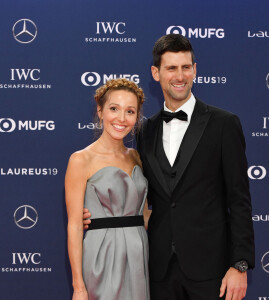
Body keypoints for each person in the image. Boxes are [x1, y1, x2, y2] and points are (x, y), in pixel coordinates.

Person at [84, 34, 255, 300]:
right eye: (171, 68)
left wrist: (240, 265)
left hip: (211, 270)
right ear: (156, 73)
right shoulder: (145, 129)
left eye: (186, 67)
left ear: (195, 70)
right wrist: (98, 217)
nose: (180, 75)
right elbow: (142, 196)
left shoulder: (224, 124)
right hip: (157, 268)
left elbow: (240, 199)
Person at [65, 78, 150, 300]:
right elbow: (74, 224)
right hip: (102, 253)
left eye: (130, 111)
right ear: (100, 111)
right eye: (114, 109)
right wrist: (78, 287)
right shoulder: (81, 159)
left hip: (138, 253)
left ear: (137, 117)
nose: (122, 118)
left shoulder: (136, 157)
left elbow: (144, 213)